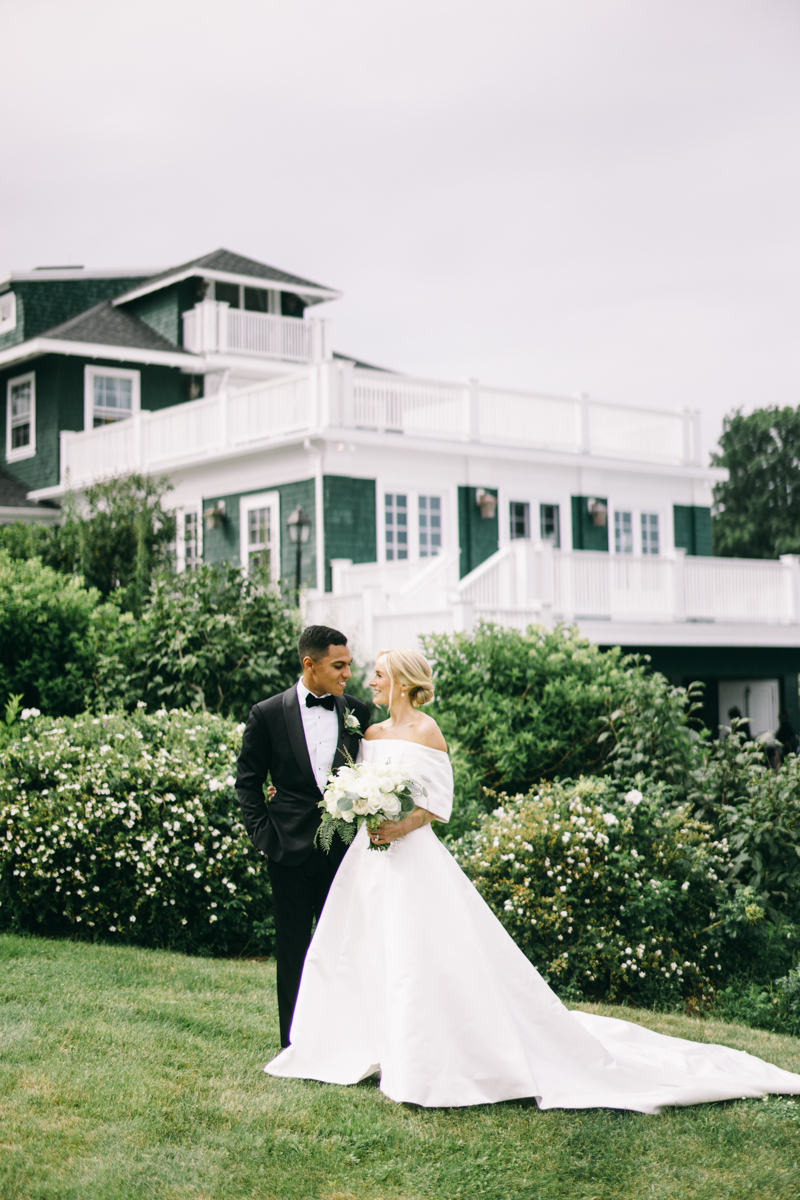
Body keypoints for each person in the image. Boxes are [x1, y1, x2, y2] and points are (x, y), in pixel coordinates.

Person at [264, 647, 800, 1113]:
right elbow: (358, 783)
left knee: (418, 952)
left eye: (379, 674)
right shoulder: (372, 732)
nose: (370, 683)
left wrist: (398, 822)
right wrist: (365, 814)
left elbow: (437, 804)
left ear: (401, 680)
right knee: (361, 948)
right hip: (369, 856)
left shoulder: (428, 731)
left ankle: (427, 1056)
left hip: (411, 853)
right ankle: (366, 1042)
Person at [235, 625, 371, 1048]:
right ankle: (294, 1044)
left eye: (349, 664)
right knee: (293, 949)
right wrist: (265, 837)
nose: (347, 673)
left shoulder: (359, 713)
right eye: (339, 665)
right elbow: (248, 783)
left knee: (343, 947)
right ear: (309, 664)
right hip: (287, 850)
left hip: (343, 851)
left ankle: (341, 1040)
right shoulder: (268, 713)